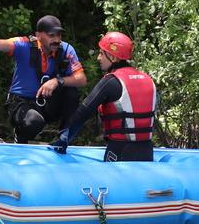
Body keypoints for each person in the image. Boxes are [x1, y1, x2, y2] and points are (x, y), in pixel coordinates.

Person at [0, 15, 86, 143]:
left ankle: (63, 138)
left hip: (47, 101)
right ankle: (20, 139)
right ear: (38, 35)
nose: (56, 40)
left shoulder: (66, 49)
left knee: (71, 93)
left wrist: (57, 81)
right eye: (51, 35)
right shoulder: (24, 45)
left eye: (58, 35)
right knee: (34, 122)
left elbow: (81, 79)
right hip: (22, 103)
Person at [49, 31, 157, 162]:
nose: (98, 58)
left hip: (119, 151)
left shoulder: (111, 81)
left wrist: (64, 139)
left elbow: (83, 112)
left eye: (101, 53)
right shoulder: (147, 79)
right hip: (147, 151)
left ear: (113, 57)